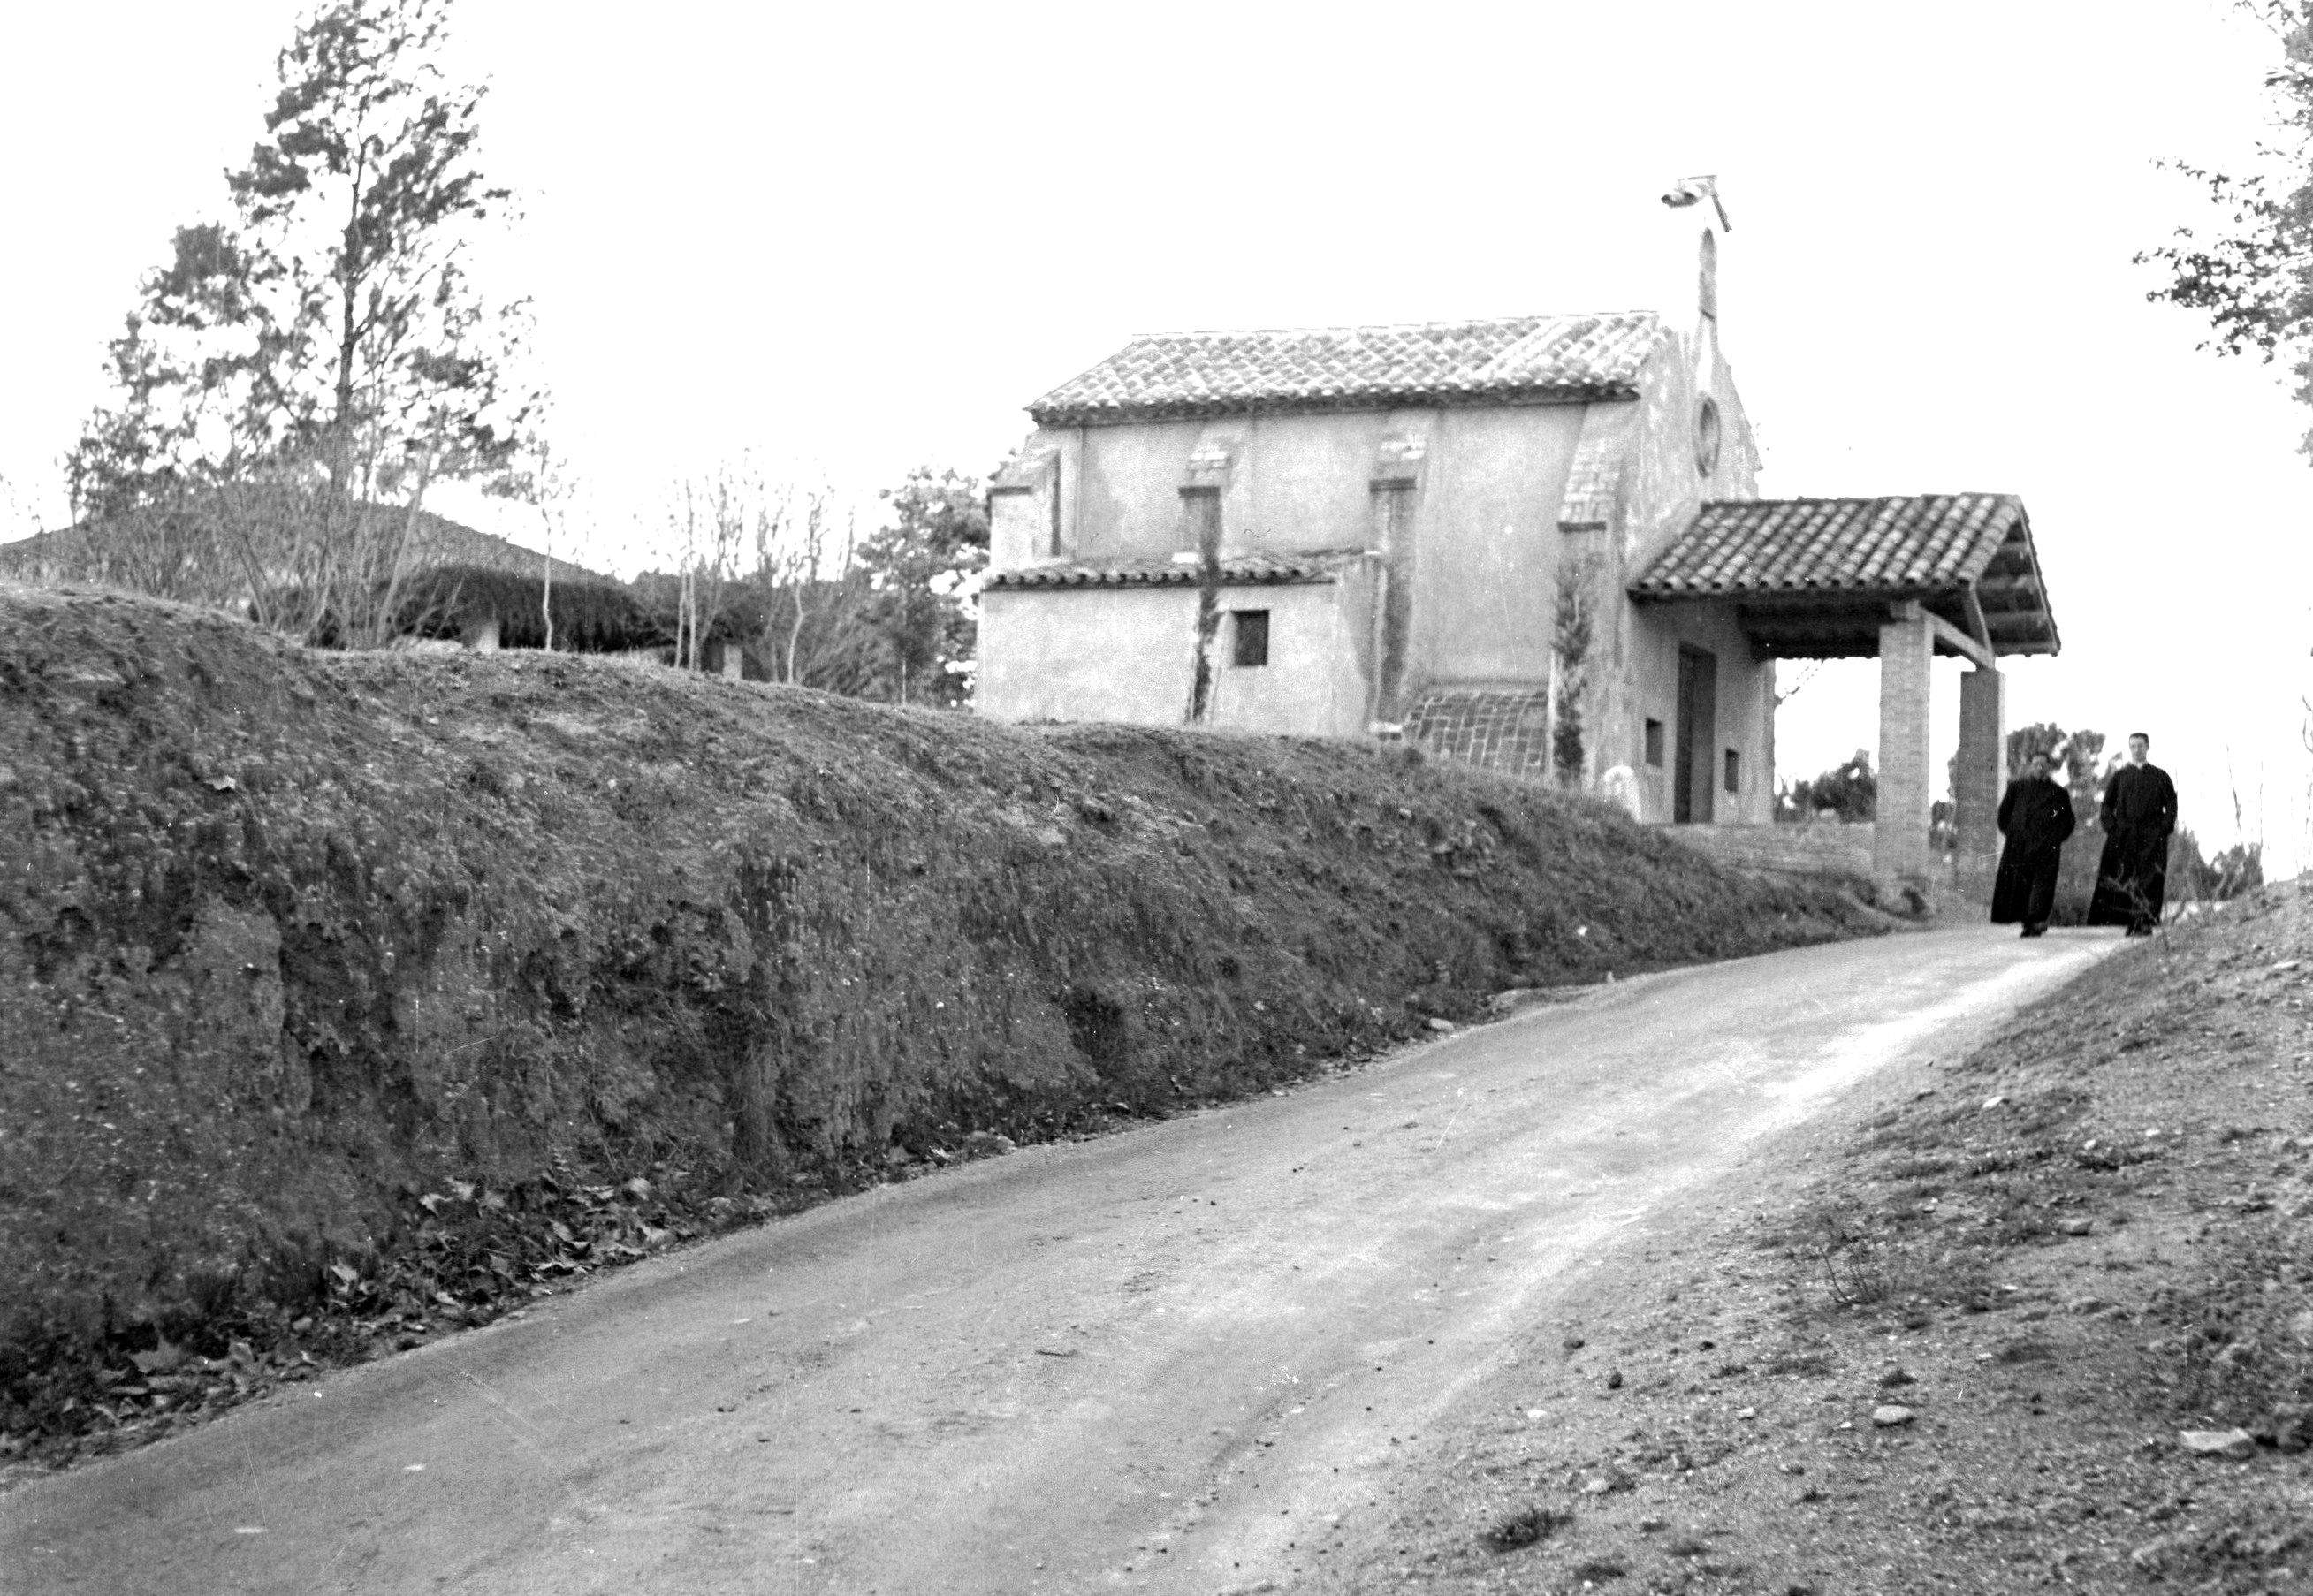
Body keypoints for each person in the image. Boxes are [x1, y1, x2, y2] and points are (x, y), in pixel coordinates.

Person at [2089, 732, 2179, 936]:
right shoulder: (2120, 776)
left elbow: (2171, 803)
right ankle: (2131, 921)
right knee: (2127, 877)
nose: (2136, 750)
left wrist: (2164, 828)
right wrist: (2112, 828)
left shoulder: (2160, 776)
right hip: (2125, 836)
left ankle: (2145, 921)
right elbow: (2107, 805)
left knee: (2150, 878)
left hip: (2152, 836)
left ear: (2147, 747)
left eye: (2140, 746)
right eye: (2133, 746)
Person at [1991, 751, 2074, 938]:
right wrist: (2013, 836)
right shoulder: (2017, 787)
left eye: (2043, 764)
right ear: (2030, 765)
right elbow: (2003, 815)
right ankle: (2027, 922)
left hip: (2046, 850)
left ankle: (2036, 921)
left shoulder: (2059, 793)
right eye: (2035, 763)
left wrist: (2054, 840)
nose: (2039, 767)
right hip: (2020, 847)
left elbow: (2068, 822)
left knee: (2042, 886)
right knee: (2021, 885)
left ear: (2049, 767)